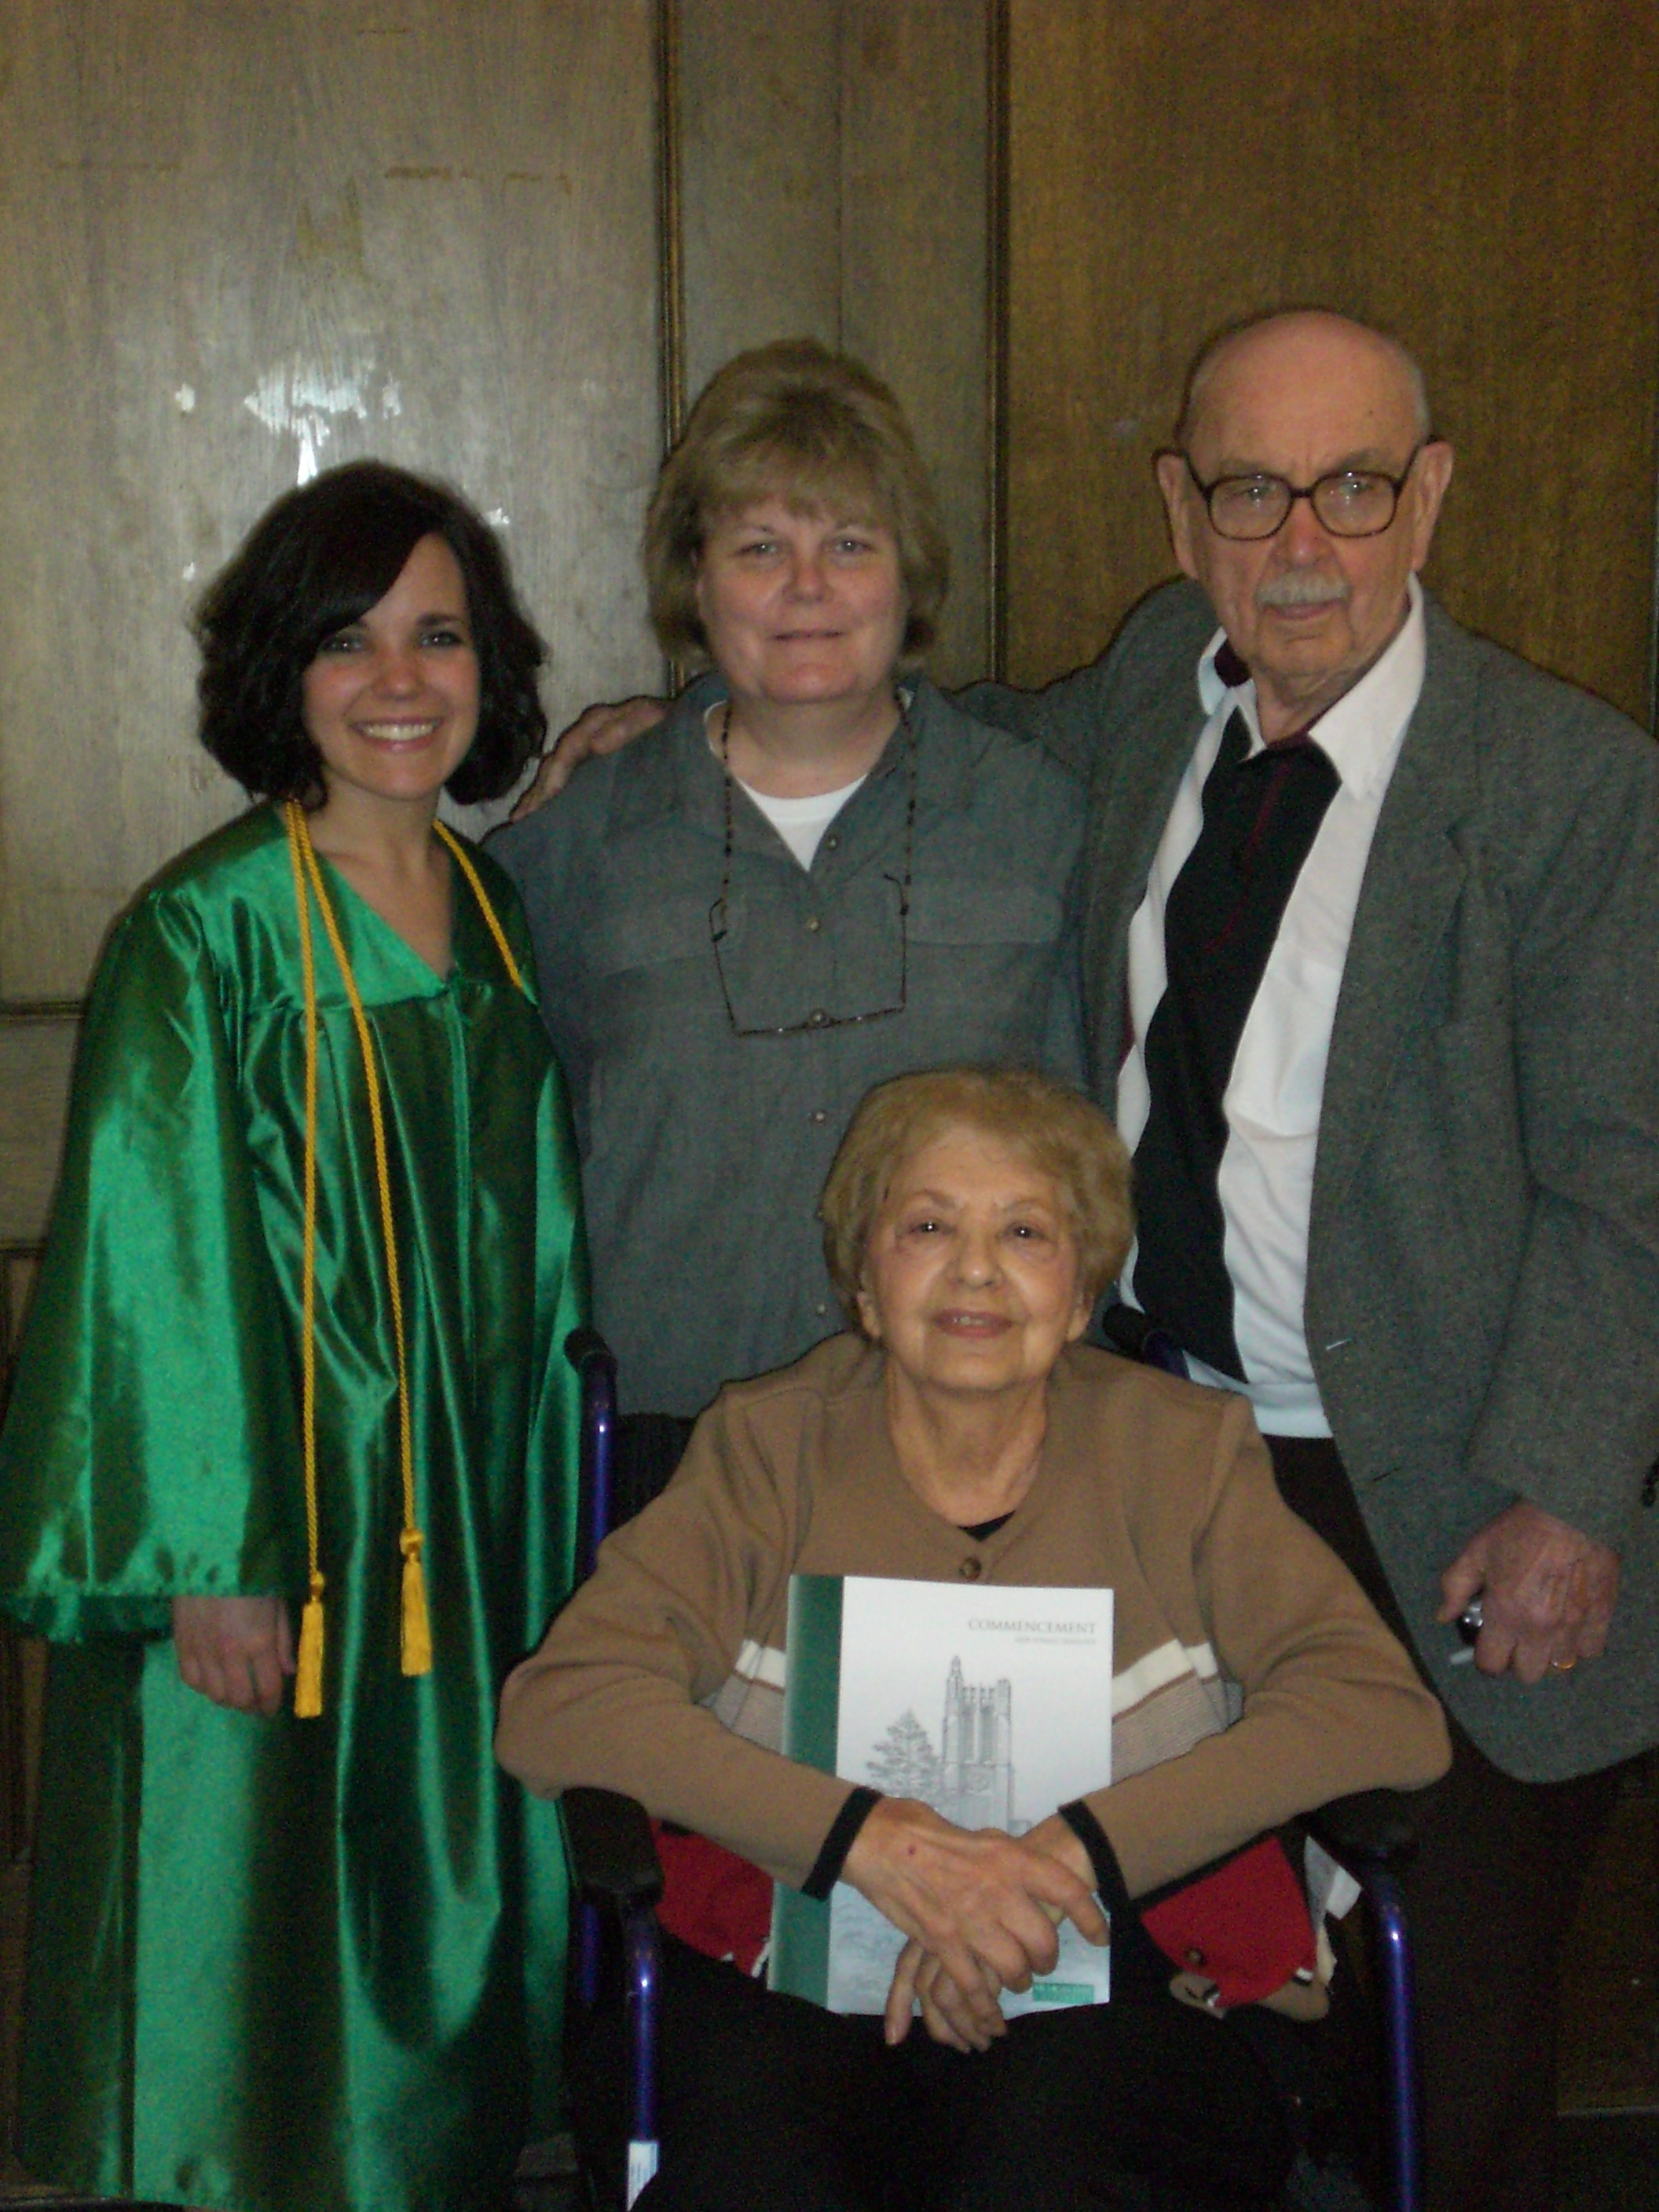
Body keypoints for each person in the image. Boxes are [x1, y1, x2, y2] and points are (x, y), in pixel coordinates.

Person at [517, 309, 1659, 2210]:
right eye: (1248, 487)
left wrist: (1565, 1481)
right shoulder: (1145, 697)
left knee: (1433, 2069)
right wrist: (672, 727)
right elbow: (887, 723)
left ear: (1431, 493)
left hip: (1449, 1478)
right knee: (1065, 2034)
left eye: (1357, 484)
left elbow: (1636, 1167)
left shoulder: (1571, 786)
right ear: (1182, 511)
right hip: (1130, 1438)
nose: (1304, 536)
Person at [497, 1065, 1449, 2212]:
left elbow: (1376, 1708)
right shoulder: (765, 1448)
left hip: (1128, 1991)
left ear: (1085, 1282)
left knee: (1046, 2170)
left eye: (1027, 1230)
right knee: (757, 2170)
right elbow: (566, 1704)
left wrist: (1058, 1863)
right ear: (863, 1278)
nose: (977, 1269)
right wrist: (876, 1843)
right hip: (783, 1971)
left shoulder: (1184, 1453)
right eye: (929, 1225)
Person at [0, 461, 587, 2212]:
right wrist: (210, 1551)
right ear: (284, 670)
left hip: (464, 1514)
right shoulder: (208, 929)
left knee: (433, 1895)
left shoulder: (494, 910)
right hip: (283, 1521)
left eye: (439, 636)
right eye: (348, 641)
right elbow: (147, 1256)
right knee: (253, 1919)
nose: (399, 681)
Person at [489, 339, 1084, 1427]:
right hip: (680, 1448)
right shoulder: (580, 843)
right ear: (696, 582)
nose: (806, 587)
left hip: (974, 1436)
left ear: (909, 576)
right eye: (761, 546)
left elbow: (1089, 1148)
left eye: (850, 543)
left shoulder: (1035, 816)